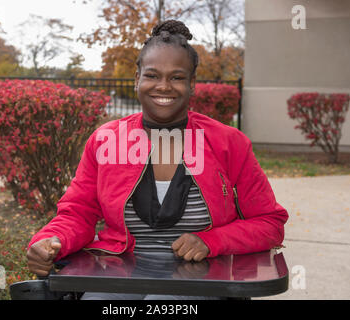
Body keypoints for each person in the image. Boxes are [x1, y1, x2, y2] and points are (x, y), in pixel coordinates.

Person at [26, 20, 289, 300]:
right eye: (152, 75)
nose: (163, 87)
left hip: (204, 279)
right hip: (119, 274)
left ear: (192, 84)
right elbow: (77, 213)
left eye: (176, 77)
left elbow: (270, 223)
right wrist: (52, 240)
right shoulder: (106, 140)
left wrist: (211, 241)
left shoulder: (229, 143)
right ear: (137, 78)